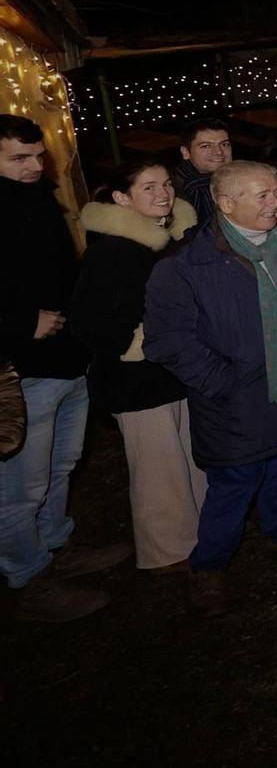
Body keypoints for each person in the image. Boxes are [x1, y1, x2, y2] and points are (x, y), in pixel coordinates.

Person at [145, 160, 277, 617]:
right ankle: (208, 567)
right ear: (225, 203)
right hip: (237, 399)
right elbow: (168, 340)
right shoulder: (186, 264)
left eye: (276, 192)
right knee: (235, 484)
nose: (275, 202)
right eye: (262, 195)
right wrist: (223, 380)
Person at [3, 115, 123, 622]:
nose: (34, 167)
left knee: (61, 466)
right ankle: (28, 577)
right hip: (20, 368)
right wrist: (18, 324)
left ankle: (55, 544)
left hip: (68, 359)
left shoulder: (39, 198)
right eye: (18, 159)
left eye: (37, 157)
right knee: (19, 486)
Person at [69, 161, 202, 577]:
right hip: (136, 378)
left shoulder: (170, 240)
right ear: (122, 199)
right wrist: (138, 344)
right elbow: (89, 320)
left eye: (166, 184)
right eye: (149, 188)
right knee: (157, 466)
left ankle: (200, 533)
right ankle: (166, 550)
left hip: (175, 368)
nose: (163, 193)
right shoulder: (113, 250)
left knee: (190, 455)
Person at [173, 116, 233, 225]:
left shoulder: (243, 178)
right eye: (206, 146)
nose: (219, 152)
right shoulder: (175, 193)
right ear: (185, 152)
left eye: (224, 144)